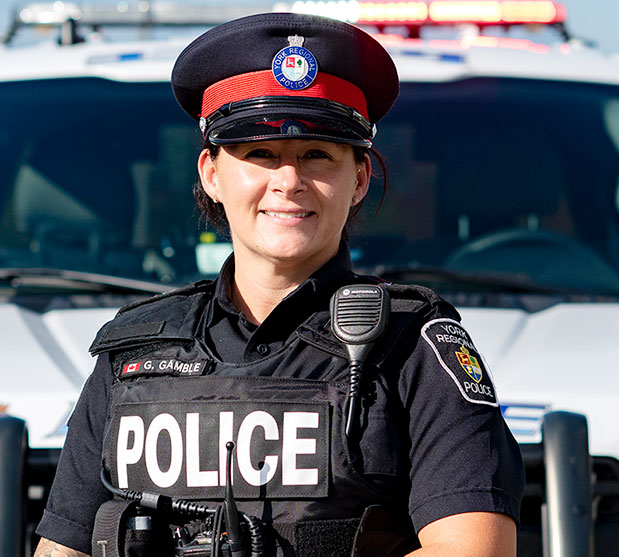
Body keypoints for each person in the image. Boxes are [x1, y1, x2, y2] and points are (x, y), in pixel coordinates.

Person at [34, 12, 524, 557]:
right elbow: (63, 548)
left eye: (317, 155)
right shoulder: (134, 349)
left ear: (358, 178)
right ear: (212, 173)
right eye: (260, 155)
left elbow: (473, 550)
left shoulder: (414, 346)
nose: (288, 182)